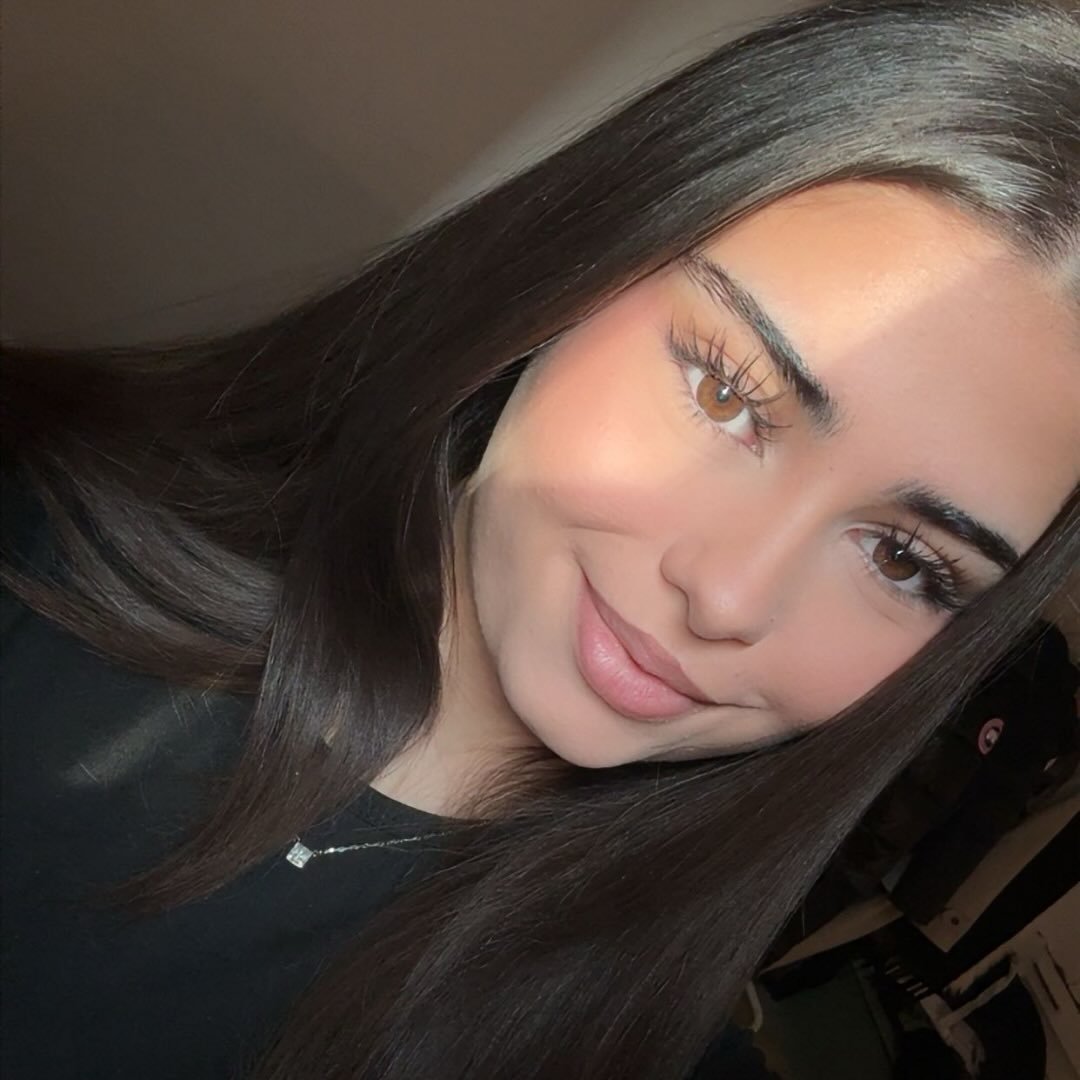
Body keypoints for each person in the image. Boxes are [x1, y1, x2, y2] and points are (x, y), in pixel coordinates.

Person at [1, 0, 1077, 1077]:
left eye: (903, 560)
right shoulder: (45, 535)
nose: (729, 596)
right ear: (577, 266)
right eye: (727, 392)